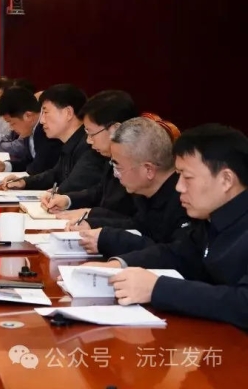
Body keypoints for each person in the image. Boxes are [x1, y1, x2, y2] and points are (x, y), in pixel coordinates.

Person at [84, 124, 248, 330]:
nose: (179, 187)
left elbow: (242, 303)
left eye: (187, 177)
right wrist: (118, 266)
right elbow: (178, 254)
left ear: (226, 180)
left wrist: (157, 288)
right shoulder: (211, 219)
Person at [69, 117, 192, 257]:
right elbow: (137, 226)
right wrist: (92, 224)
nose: (115, 174)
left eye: (118, 166)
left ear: (148, 170)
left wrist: (109, 240)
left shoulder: (185, 200)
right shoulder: (147, 192)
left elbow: (175, 254)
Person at [41, 90, 140, 220]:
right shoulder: (110, 157)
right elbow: (99, 192)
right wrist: (67, 200)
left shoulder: (140, 164)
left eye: (91, 133)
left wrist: (90, 214)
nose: (88, 141)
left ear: (115, 130)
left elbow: (131, 217)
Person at [3, 84, 106, 193]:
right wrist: (24, 182)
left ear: (68, 113)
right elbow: (55, 174)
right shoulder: (71, 142)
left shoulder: (90, 145)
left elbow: (75, 185)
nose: (42, 120)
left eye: (46, 112)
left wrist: (58, 192)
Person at [0, 86, 61, 175]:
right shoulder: (29, 129)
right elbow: (28, 161)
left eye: (12, 123)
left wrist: (22, 180)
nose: (11, 128)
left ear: (28, 116)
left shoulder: (48, 130)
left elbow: (38, 168)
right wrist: (5, 166)